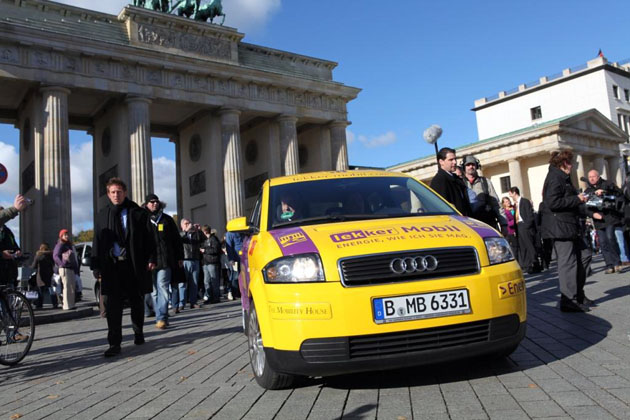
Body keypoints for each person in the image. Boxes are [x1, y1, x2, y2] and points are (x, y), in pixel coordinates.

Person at [91, 178, 156, 357]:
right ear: (108, 194)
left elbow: (149, 238)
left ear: (125, 193)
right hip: (111, 266)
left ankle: (138, 332)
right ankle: (114, 343)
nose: (116, 195)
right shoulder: (102, 215)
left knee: (136, 300)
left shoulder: (138, 213)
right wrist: (95, 265)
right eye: (112, 192)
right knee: (113, 305)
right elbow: (97, 240)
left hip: (133, 264)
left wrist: (151, 258)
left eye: (119, 191)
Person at [540, 150, 592, 312]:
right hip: (560, 227)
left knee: (585, 255)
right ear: (564, 163)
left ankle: (578, 293)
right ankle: (568, 299)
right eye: (571, 162)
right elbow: (553, 202)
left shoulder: (563, 177)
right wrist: (577, 199)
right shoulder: (555, 177)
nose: (573, 166)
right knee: (567, 263)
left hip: (569, 225)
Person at [143, 193, 183, 330]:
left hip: (165, 260)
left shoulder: (167, 220)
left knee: (163, 288)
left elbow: (176, 240)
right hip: (149, 262)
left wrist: (179, 257)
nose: (154, 204)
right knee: (154, 292)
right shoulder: (143, 219)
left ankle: (162, 317)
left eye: (156, 202)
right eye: (151, 202)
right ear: (146, 204)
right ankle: (160, 315)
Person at [584, 169, 623, 274]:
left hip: (609, 217)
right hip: (598, 221)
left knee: (611, 238)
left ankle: (617, 262)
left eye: (593, 176)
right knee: (602, 242)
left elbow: (619, 193)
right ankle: (609, 265)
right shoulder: (588, 190)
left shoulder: (607, 184)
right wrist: (593, 214)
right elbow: (585, 208)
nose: (591, 179)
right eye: (590, 177)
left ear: (598, 176)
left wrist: (604, 191)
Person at [461, 155, 506, 231]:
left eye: (473, 164)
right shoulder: (460, 183)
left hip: (487, 223)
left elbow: (496, 204)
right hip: (469, 225)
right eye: (468, 165)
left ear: (477, 166)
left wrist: (504, 223)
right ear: (464, 167)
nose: (471, 167)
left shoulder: (486, 182)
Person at [429, 147, 472, 216]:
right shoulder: (439, 180)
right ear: (441, 162)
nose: (454, 162)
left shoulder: (456, 178)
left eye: (455, 159)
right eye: (451, 160)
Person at [508, 187, 539, 274]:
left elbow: (530, 215)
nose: (510, 196)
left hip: (525, 226)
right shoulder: (515, 204)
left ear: (514, 193)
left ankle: (535, 264)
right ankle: (527, 266)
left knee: (530, 246)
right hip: (518, 227)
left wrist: (527, 226)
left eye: (510, 194)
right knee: (522, 247)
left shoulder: (525, 201)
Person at [180, 218, 203, 310]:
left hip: (195, 259)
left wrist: (199, 230)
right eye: (186, 223)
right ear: (182, 226)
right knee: (183, 283)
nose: (188, 225)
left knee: (194, 282)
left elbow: (203, 240)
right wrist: (185, 231)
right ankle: (182, 303)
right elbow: (180, 240)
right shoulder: (180, 234)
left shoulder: (195, 234)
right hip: (185, 260)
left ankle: (193, 302)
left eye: (189, 223)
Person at [30, 243, 58, 309]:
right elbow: (53, 264)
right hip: (49, 274)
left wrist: (29, 267)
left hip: (40, 276)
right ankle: (55, 303)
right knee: (51, 290)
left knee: (40, 291)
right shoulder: (51, 255)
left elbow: (34, 266)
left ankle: (39, 304)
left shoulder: (38, 255)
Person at [200, 225, 222, 303]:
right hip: (205, 263)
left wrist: (205, 250)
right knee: (207, 281)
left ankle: (216, 297)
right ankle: (209, 297)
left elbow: (216, 250)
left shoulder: (213, 239)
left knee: (214, 281)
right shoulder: (204, 240)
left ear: (205, 231)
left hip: (212, 262)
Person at [225, 230, 243, 301]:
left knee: (242, 275)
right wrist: (231, 259)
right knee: (235, 276)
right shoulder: (229, 234)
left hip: (243, 257)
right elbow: (229, 247)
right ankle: (235, 293)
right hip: (235, 258)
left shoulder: (243, 232)